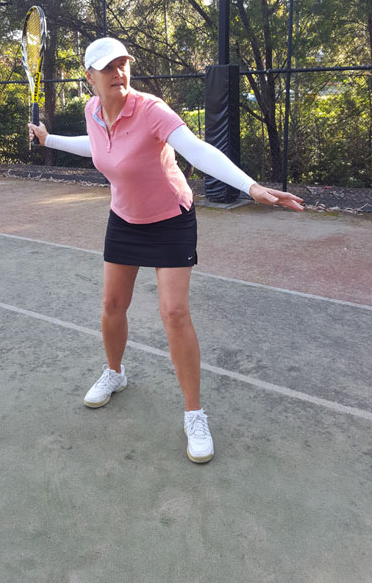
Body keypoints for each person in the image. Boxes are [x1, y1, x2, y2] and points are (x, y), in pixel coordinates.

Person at [29, 37, 304, 464]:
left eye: (123, 64)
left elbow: (197, 149)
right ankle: (115, 373)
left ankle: (194, 414)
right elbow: (96, 146)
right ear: (90, 77)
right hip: (124, 219)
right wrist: (50, 141)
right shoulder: (92, 111)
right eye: (108, 67)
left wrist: (249, 186)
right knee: (111, 305)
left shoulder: (152, 110)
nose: (118, 72)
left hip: (171, 220)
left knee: (174, 313)